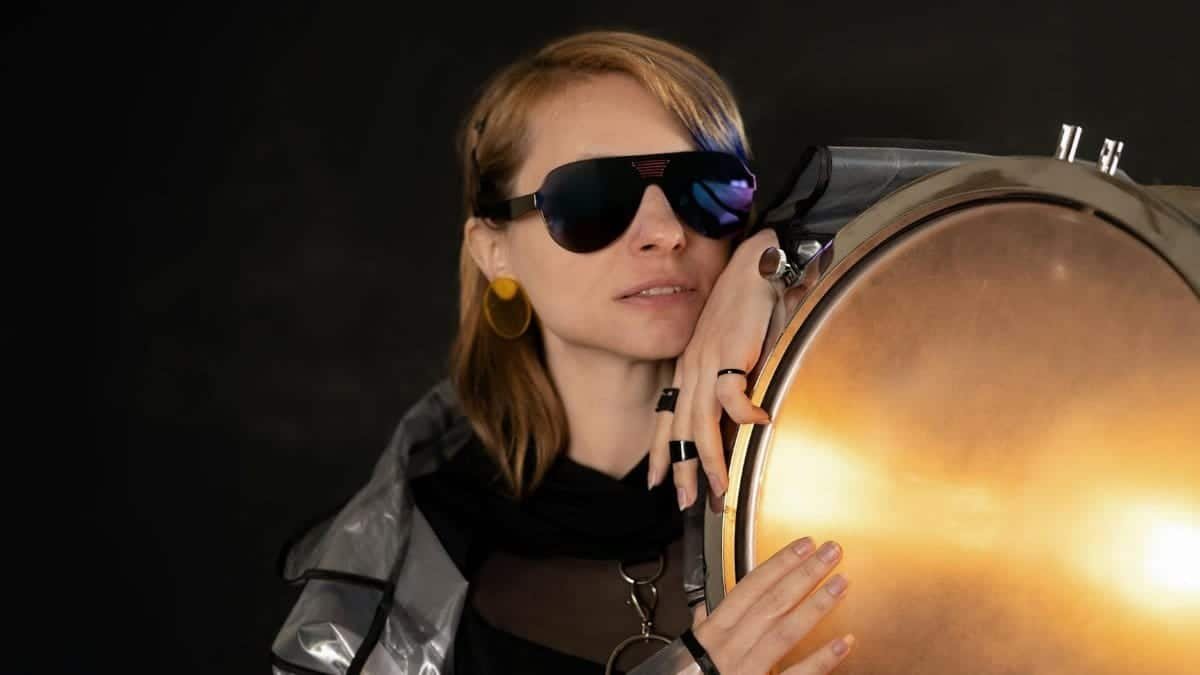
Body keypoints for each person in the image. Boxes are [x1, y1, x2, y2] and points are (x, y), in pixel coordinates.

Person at [271, 30, 855, 675]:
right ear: (493, 249)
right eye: (592, 199)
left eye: (707, 189)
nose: (664, 234)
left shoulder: (837, 474)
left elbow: (980, 212)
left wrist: (771, 254)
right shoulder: (403, 559)